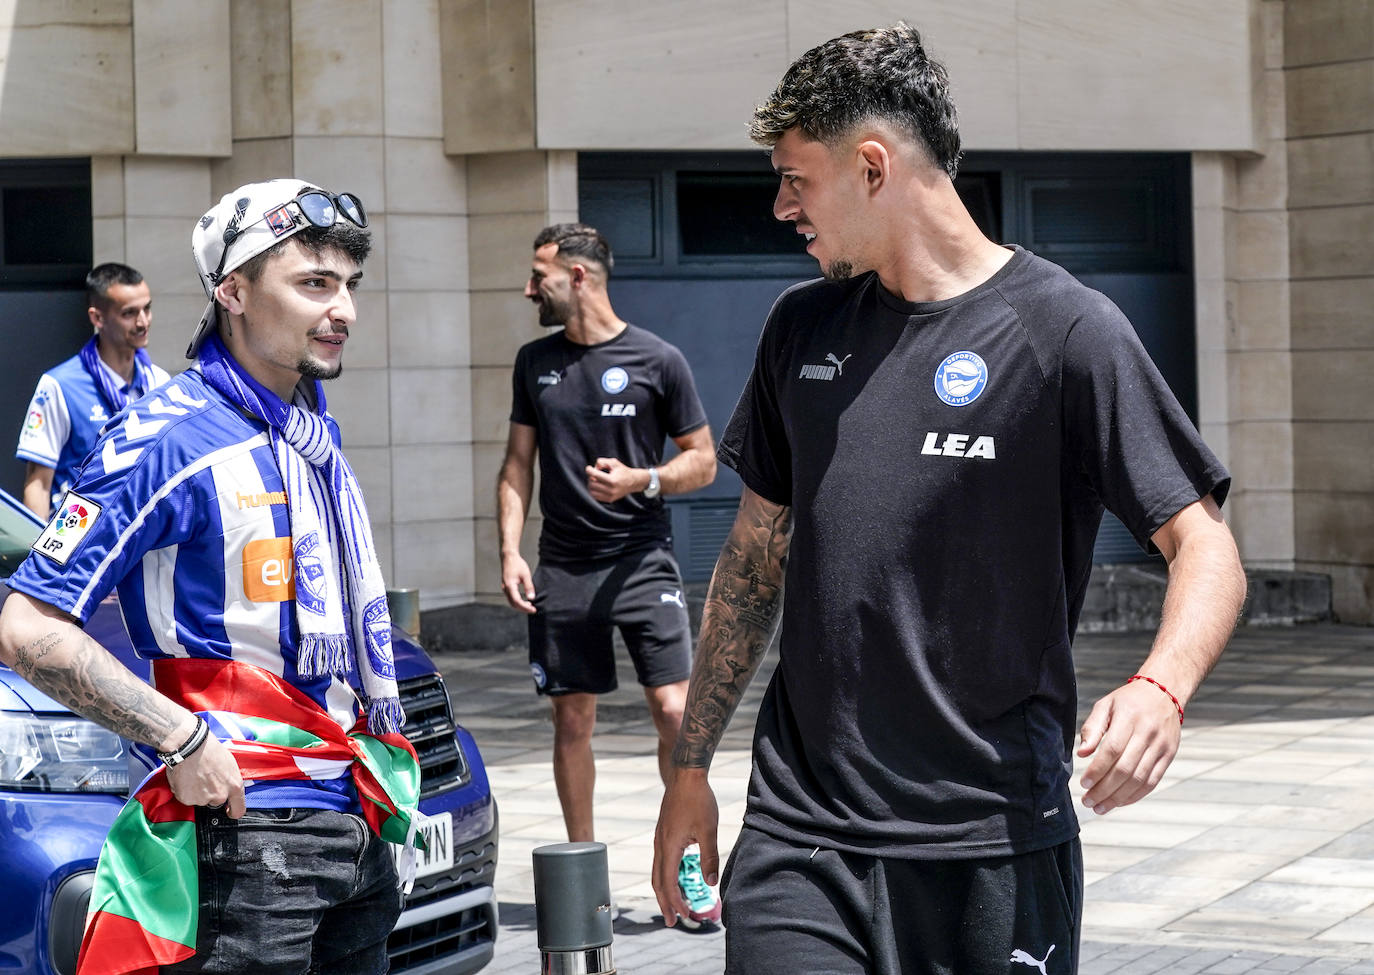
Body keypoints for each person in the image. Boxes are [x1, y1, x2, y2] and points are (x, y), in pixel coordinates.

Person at [652, 23, 1247, 974]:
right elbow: (754, 560)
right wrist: (690, 770)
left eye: (796, 179)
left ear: (873, 166)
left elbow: (1205, 546)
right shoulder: (800, 327)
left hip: (995, 842)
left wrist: (1160, 688)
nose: (780, 207)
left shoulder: (1067, 332)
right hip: (803, 834)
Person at [0, 179, 421, 975]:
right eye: (313, 284)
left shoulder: (308, 430)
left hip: (353, 814)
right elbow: (26, 626)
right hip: (246, 830)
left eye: (349, 286)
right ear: (232, 291)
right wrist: (180, 737)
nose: (345, 311)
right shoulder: (165, 435)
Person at [497, 223, 722, 926]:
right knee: (574, 719)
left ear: (581, 277)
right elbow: (516, 467)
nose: (530, 289)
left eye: (541, 276)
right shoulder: (535, 362)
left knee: (678, 714)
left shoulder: (658, 359)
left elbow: (705, 460)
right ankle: (585, 877)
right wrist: (509, 550)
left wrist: (642, 479)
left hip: (640, 560)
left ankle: (689, 862)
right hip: (564, 567)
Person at [15, 262, 171, 518]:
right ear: (97, 318)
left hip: (140, 538)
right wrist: (40, 555)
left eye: (147, 309)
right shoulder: (59, 386)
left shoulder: (159, 383)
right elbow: (39, 484)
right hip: (77, 539)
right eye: (129, 313)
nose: (143, 322)